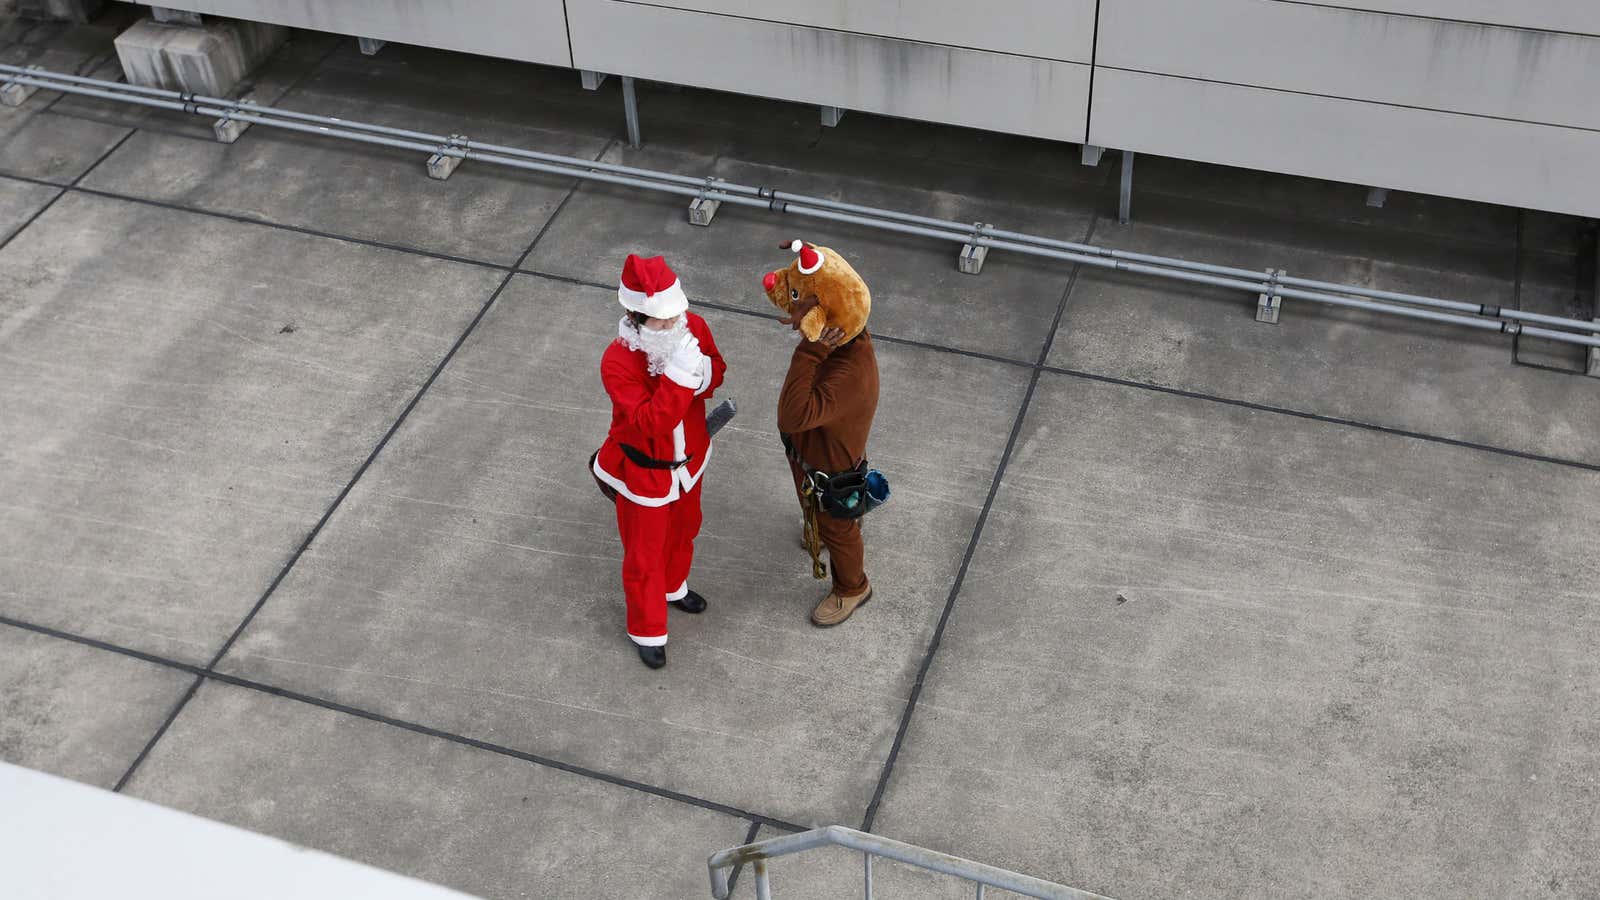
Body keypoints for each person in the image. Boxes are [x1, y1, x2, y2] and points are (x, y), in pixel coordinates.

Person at [592, 254, 726, 668]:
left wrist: (701, 372)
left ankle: (674, 587)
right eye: (660, 321)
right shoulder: (617, 362)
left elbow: (718, 370)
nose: (672, 326)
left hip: (690, 462)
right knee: (644, 554)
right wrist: (680, 377)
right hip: (644, 475)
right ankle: (647, 629)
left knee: (686, 528)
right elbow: (653, 422)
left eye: (674, 317)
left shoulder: (693, 326)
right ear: (635, 318)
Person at [774, 287, 879, 627]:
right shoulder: (845, 342)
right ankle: (819, 528)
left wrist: (809, 349)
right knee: (818, 512)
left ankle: (853, 587)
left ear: (829, 326)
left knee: (840, 529)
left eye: (807, 317)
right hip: (810, 454)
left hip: (830, 471)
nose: (797, 323)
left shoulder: (847, 372)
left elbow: (792, 414)